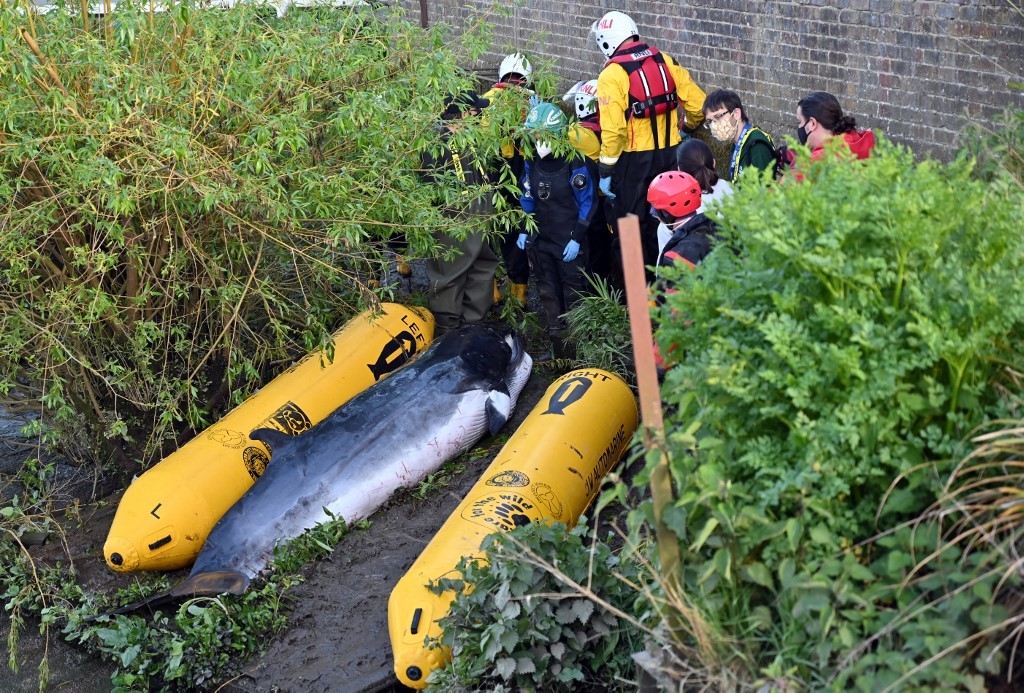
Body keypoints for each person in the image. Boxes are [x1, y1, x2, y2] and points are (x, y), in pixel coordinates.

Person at [590, 10, 706, 274]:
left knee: (630, 229)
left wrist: (606, 169)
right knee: (669, 221)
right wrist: (686, 127)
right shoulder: (665, 60)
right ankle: (667, 283)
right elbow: (698, 104)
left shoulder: (611, 75)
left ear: (606, 41)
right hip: (672, 157)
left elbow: (615, 131)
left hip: (633, 163)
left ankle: (636, 302)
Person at [518, 102, 598, 360]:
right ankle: (559, 351)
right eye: (535, 135)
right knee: (548, 292)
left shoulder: (576, 164)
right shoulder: (531, 162)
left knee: (574, 294)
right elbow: (527, 194)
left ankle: (581, 351)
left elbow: (588, 202)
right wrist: (524, 228)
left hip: (569, 243)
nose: (538, 140)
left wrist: (577, 238)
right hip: (543, 241)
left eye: (543, 134)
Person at [421, 91, 500, 335]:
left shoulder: (468, 137)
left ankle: (472, 325)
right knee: (451, 270)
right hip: (453, 217)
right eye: (475, 109)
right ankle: (448, 328)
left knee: (482, 265)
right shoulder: (435, 143)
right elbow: (428, 187)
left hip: (479, 214)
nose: (478, 113)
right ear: (462, 112)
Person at [483, 53, 535, 305]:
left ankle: (492, 291)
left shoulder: (488, 100)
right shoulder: (534, 101)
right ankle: (520, 292)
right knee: (516, 233)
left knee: (488, 230)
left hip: (491, 171)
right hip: (522, 173)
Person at [565, 79, 613, 285]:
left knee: (594, 248)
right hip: (608, 199)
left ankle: (593, 289)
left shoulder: (580, 134)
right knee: (605, 247)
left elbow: (553, 135)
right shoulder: (608, 131)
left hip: (589, 200)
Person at [658, 139, 732, 254]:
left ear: (679, 171)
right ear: (714, 163)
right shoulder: (730, 189)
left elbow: (664, 266)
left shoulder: (674, 218)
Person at [647, 171, 718, 276]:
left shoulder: (677, 257)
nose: (655, 215)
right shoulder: (719, 228)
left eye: (655, 210)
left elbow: (671, 292)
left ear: (666, 214)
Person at [702, 89, 777, 183]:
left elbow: (764, 192)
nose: (713, 125)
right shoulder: (737, 143)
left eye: (717, 117)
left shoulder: (757, 146)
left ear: (736, 114)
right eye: (709, 121)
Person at [796, 91, 875, 161]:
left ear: (812, 123)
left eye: (799, 122)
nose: (799, 126)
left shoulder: (819, 161)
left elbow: (790, 177)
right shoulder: (857, 144)